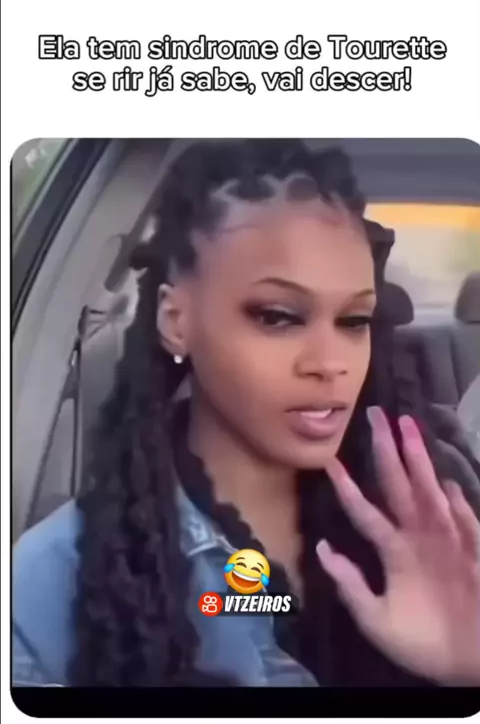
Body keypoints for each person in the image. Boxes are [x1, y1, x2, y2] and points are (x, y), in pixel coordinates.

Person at [12, 140, 480, 688]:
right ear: (176, 321)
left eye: (354, 321)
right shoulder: (49, 585)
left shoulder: (444, 528)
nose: (330, 363)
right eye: (277, 316)